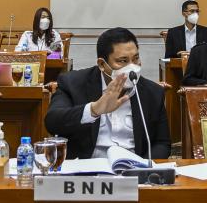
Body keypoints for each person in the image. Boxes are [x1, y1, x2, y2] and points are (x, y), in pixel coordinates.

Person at [45, 27, 170, 159]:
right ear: (102, 64)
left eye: (135, 58)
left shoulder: (153, 92)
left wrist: (141, 167)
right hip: (87, 170)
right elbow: (52, 122)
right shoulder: (73, 83)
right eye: (123, 61)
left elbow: (162, 143)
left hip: (133, 170)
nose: (132, 67)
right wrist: (93, 110)